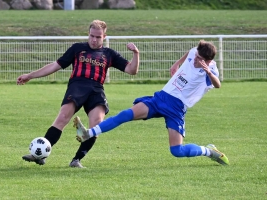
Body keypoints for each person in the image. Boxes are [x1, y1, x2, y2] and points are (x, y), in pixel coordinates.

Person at [73, 40, 229, 166]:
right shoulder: (197, 52)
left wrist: (208, 71)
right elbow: (191, 52)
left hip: (177, 108)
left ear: (208, 61)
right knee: (126, 114)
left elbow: (217, 84)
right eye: (196, 56)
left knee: (177, 151)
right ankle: (89, 133)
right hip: (161, 97)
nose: (196, 59)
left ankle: (209, 151)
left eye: (200, 60)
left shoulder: (210, 70)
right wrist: (177, 63)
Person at [17, 19, 140, 167]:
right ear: (88, 34)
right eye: (91, 36)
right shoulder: (77, 49)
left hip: (96, 89)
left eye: (98, 37)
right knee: (62, 118)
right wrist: (30, 75)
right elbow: (55, 66)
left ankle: (76, 160)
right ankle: (39, 154)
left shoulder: (109, 54)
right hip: (77, 86)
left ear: (104, 37)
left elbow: (132, 70)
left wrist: (136, 53)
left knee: (97, 125)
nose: (94, 40)